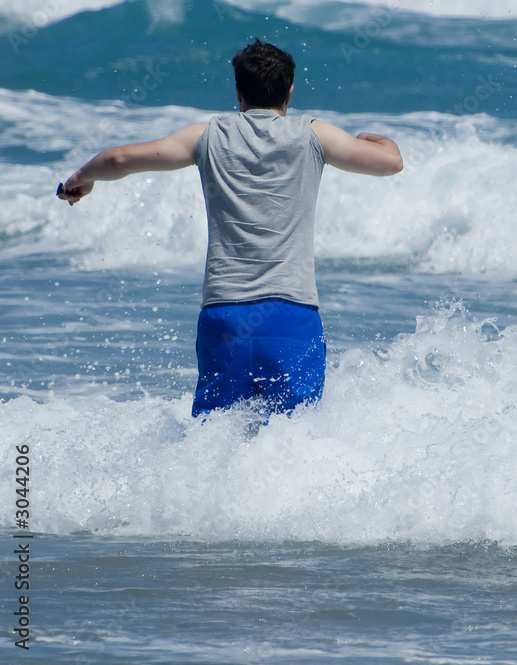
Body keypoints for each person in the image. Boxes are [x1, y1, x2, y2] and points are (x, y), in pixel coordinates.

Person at [58, 40, 404, 416]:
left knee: (213, 449)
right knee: (298, 445)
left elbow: (121, 158)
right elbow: (390, 162)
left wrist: (81, 178)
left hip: (224, 318)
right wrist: (374, 137)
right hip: (291, 317)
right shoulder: (312, 134)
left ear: (238, 92)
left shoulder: (207, 135)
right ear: (290, 91)